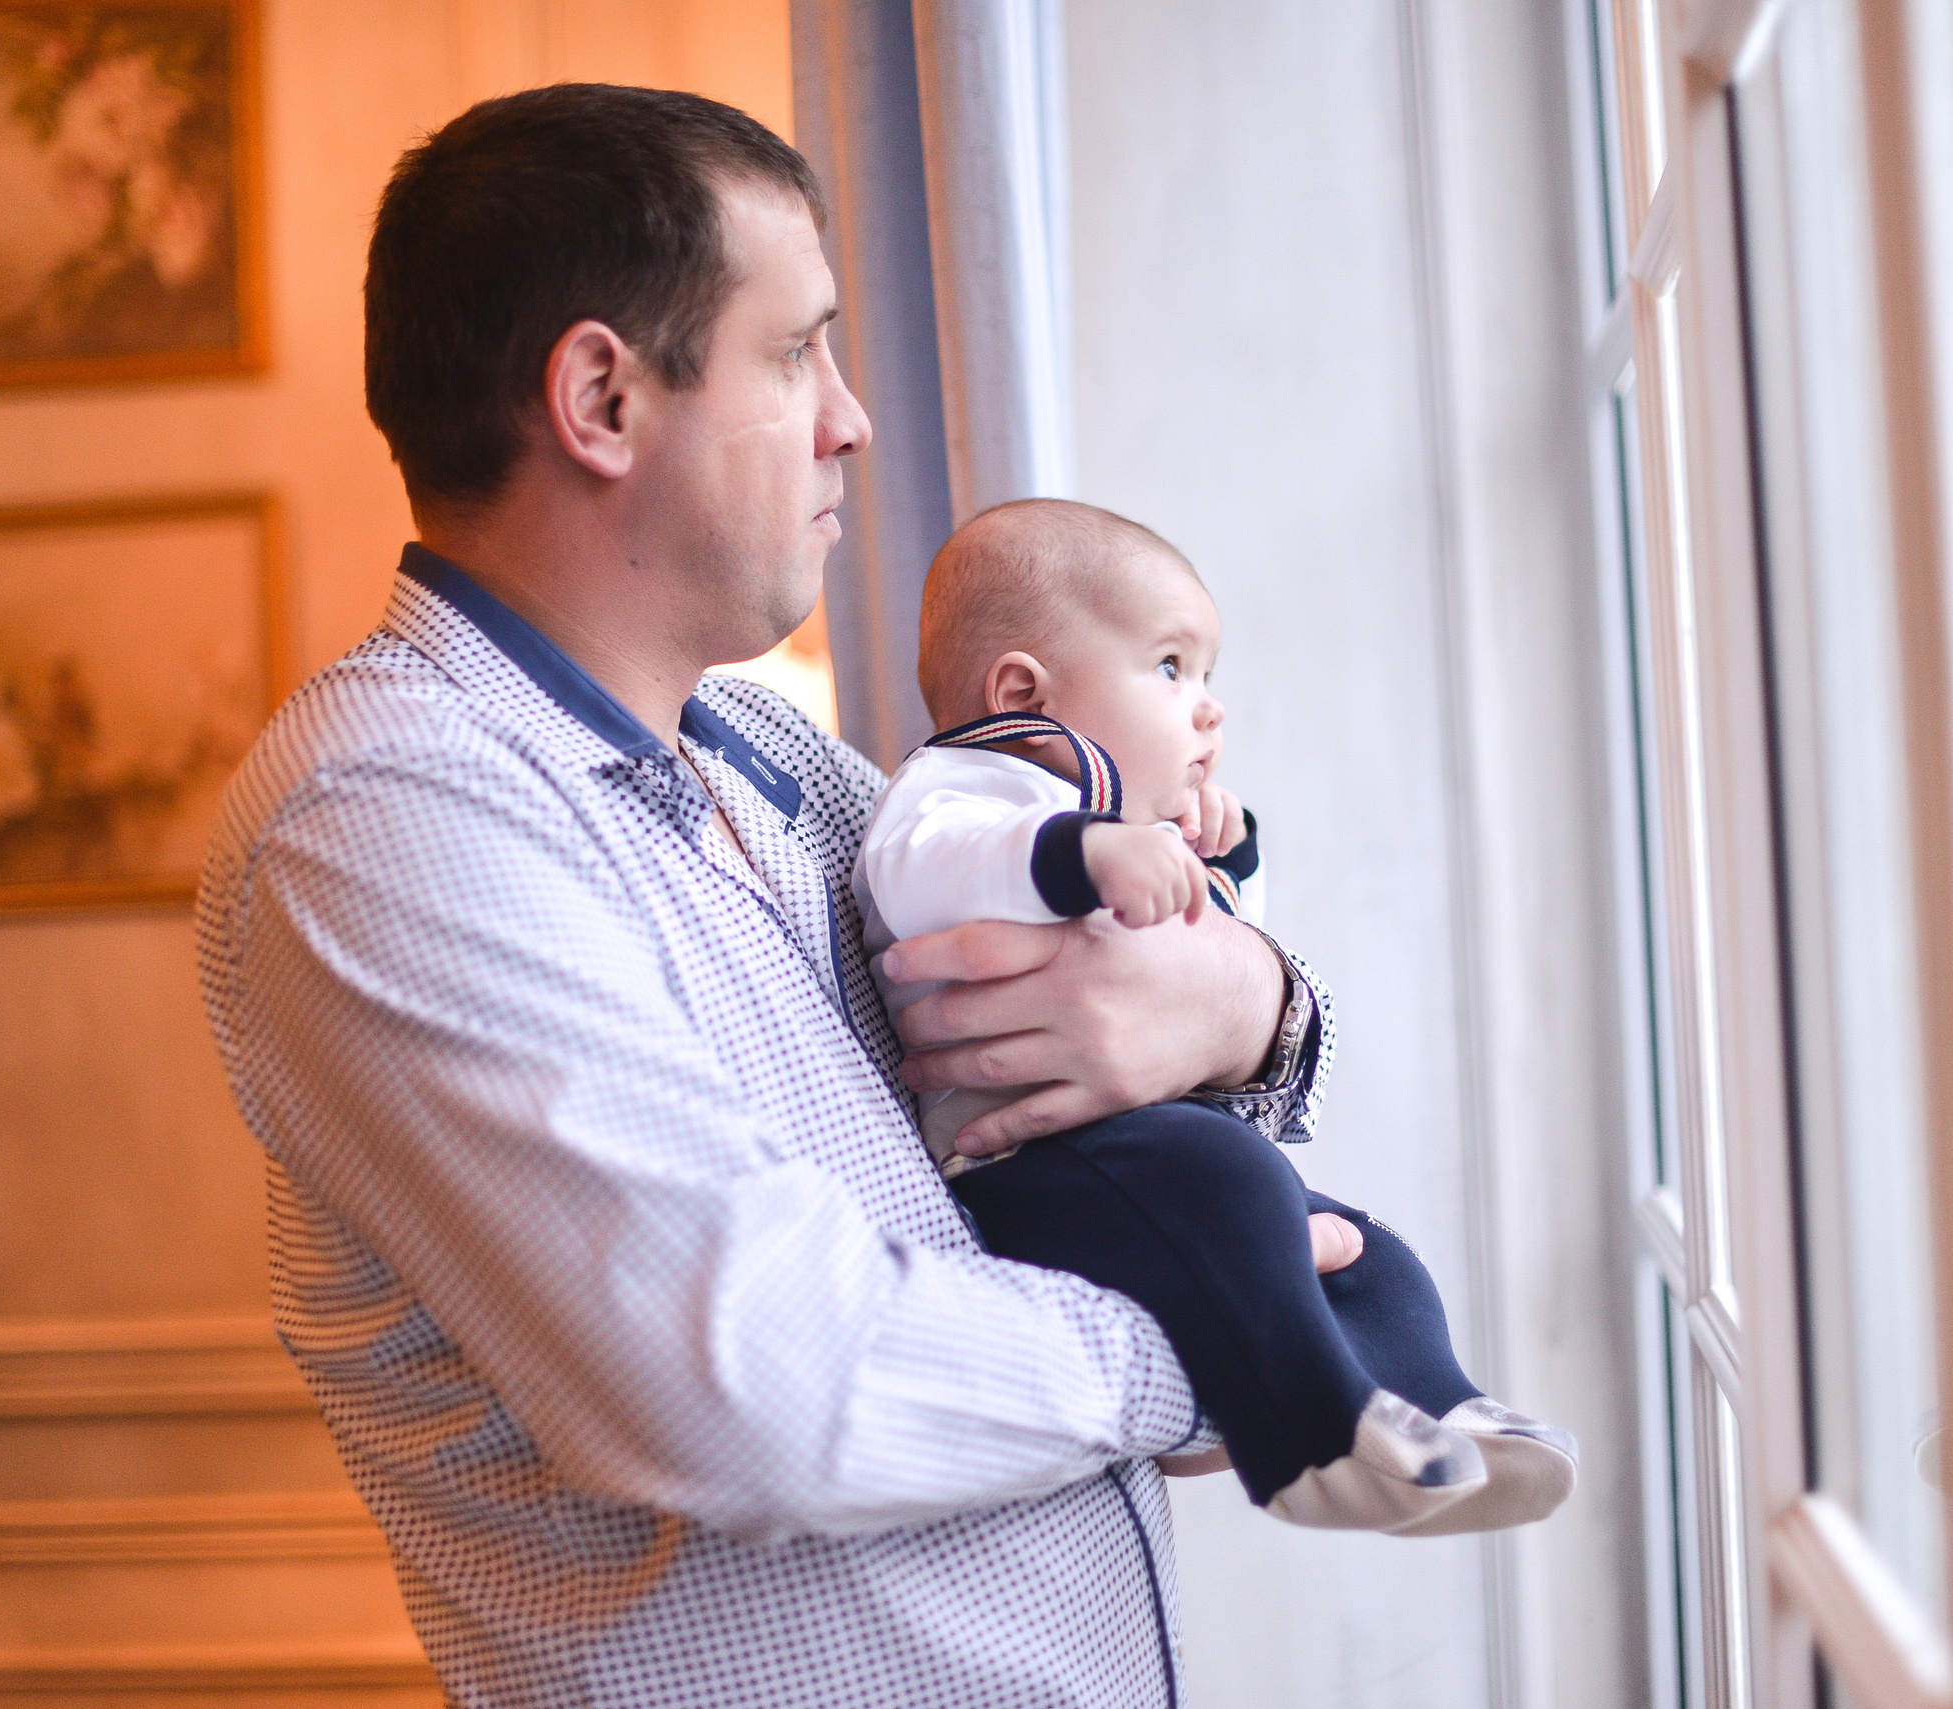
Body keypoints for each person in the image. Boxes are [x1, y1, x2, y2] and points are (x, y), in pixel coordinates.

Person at [197, 87, 1339, 1708]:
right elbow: (775, 1385)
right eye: (796, 351)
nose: (852, 421)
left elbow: (1117, 1065)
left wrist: (1255, 1003)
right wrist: (1237, 1332)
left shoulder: (777, 766)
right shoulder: (385, 820)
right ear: (602, 394)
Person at [854, 496, 1579, 1533]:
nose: (1208, 709)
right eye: (1169, 668)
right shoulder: (953, 790)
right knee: (1238, 1185)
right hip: (1021, 1172)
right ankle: (1312, 1441)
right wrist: (1085, 854)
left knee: (1355, 1242)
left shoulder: (1117, 819)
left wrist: (1224, 868)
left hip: (1139, 1143)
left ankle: (1447, 1404)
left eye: (1207, 677)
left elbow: (1209, 958)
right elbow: (926, 874)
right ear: (1022, 692)